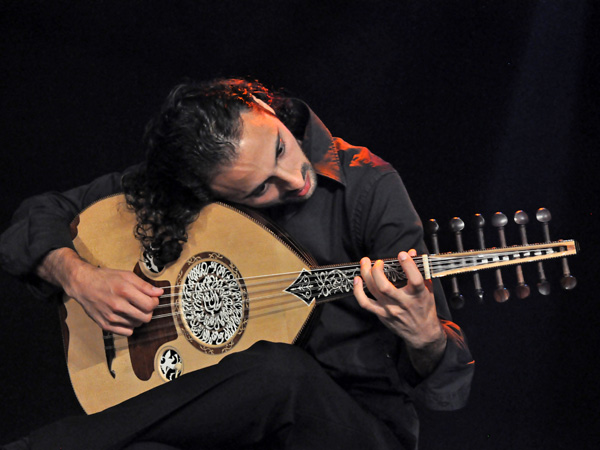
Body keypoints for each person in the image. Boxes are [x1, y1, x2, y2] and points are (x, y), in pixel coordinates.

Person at [0, 78, 474, 450]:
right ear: (210, 193)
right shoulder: (187, 190)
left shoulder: (369, 188)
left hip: (354, 430)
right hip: (235, 436)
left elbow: (449, 390)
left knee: (280, 372)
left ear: (266, 109)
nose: (295, 178)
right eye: (260, 188)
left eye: (281, 148)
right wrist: (78, 275)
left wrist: (426, 337)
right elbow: (33, 219)